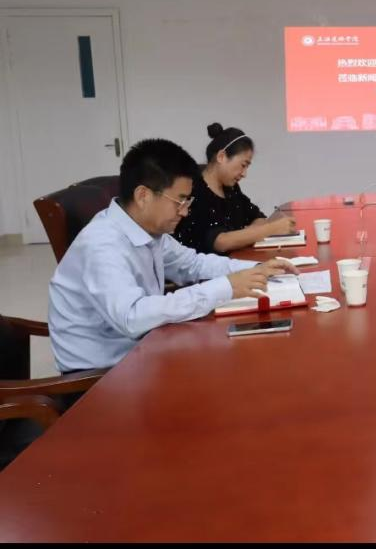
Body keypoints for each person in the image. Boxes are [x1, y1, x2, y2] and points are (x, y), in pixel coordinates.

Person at [48, 138, 298, 373]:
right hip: (103, 376)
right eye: (179, 201)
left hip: (145, 349)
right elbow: (132, 317)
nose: (185, 212)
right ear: (143, 196)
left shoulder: (148, 230)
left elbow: (193, 264)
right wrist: (225, 287)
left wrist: (256, 268)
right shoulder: (102, 244)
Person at [173, 123, 296, 253]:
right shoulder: (194, 188)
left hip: (234, 261)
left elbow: (258, 217)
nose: (244, 174)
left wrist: (247, 235)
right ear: (221, 157)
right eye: (243, 165)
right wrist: (270, 230)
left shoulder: (230, 189)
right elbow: (219, 242)